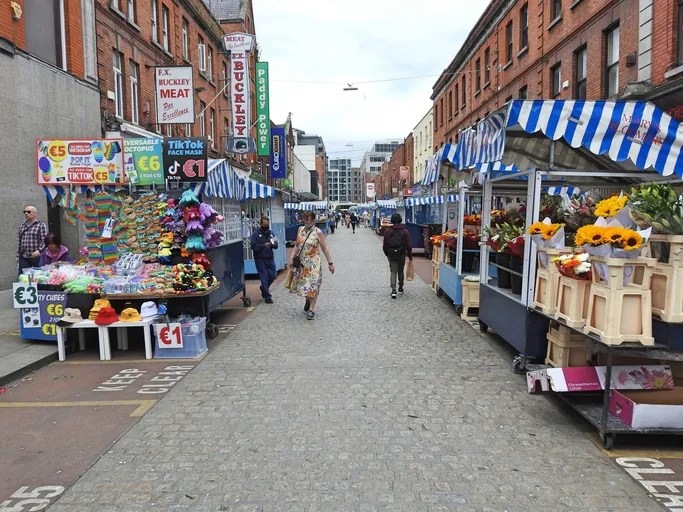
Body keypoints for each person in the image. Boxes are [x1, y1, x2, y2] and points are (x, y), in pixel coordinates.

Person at [289, 210, 335, 320]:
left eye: (310, 219)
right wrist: (291, 258)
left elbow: (325, 249)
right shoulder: (300, 230)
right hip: (303, 263)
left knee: (313, 286)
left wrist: (330, 263)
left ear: (314, 220)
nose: (307, 221)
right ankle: (308, 300)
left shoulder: (318, 232)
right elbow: (296, 245)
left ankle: (311, 310)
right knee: (303, 286)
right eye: (305, 219)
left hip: (314, 264)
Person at [383, 213, 413, 299]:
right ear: (400, 220)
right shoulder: (404, 231)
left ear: (392, 220)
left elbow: (385, 244)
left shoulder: (388, 231)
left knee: (393, 271)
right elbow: (409, 245)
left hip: (391, 253)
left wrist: (387, 253)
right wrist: (410, 255)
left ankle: (393, 290)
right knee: (400, 270)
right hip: (401, 254)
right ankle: (400, 287)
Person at [250, 215, 278, 304]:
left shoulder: (271, 233)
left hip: (270, 258)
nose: (266, 226)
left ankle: (263, 288)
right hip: (260, 259)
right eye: (264, 225)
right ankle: (267, 296)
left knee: (273, 276)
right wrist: (263, 245)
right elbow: (253, 246)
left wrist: (273, 244)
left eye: (267, 224)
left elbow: (276, 246)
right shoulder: (255, 234)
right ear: (261, 224)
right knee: (264, 278)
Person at [17, 205, 48, 274]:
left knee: (39, 276)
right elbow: (20, 241)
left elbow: (45, 240)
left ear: (35, 213)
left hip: (37, 256)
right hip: (24, 256)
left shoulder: (41, 225)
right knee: (23, 277)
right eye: (24, 212)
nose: (26, 213)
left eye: (28, 212)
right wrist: (18, 255)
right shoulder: (22, 226)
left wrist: (39, 251)